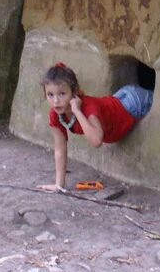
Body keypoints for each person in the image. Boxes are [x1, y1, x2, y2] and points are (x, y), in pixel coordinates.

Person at [36, 63, 153, 193]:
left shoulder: (88, 107)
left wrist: (77, 112)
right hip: (119, 99)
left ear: (74, 93)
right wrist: (59, 185)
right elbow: (59, 149)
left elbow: (97, 140)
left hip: (133, 102)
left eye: (62, 94)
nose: (56, 101)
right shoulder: (55, 114)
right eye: (50, 95)